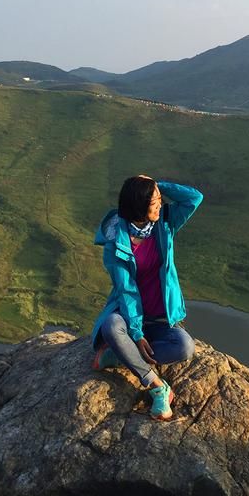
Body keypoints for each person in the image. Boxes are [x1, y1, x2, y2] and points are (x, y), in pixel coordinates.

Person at [90, 174, 203, 420]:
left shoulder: (164, 222)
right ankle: (157, 387)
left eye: (160, 200)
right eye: (154, 203)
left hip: (161, 316)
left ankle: (121, 356)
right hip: (130, 315)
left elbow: (194, 198)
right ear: (139, 207)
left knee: (185, 347)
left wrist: (155, 187)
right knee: (111, 325)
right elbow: (127, 290)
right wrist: (137, 333)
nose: (160, 205)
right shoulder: (115, 242)